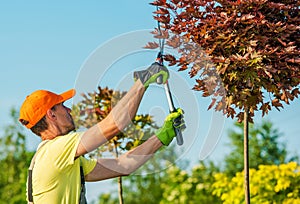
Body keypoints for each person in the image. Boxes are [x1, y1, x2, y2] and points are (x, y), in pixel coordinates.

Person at [19, 62, 185, 204]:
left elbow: (123, 166)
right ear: (51, 114)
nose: (69, 110)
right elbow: (114, 124)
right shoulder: (54, 150)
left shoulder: (62, 159)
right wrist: (143, 82)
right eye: (63, 105)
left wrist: (163, 136)